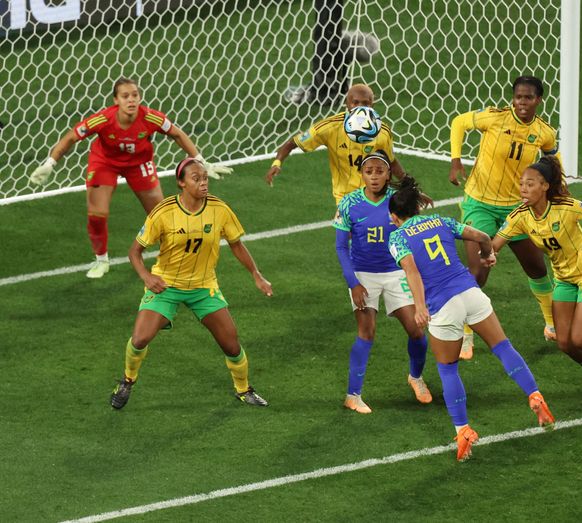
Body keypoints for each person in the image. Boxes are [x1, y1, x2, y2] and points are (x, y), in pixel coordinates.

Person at [387, 176, 555, 462]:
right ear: (417, 208)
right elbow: (481, 237)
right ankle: (535, 395)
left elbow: (412, 271)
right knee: (503, 348)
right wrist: (488, 256)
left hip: (443, 305)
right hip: (471, 292)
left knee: (449, 370)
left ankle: (463, 430)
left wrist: (418, 307)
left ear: (394, 217)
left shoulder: (397, 237)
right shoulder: (441, 220)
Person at [29, 77, 231, 279]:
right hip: (105, 163)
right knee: (97, 213)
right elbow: (72, 136)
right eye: (125, 96)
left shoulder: (152, 118)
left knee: (160, 215)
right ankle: (101, 260)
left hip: (139, 164)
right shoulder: (102, 119)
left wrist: (201, 162)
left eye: (135, 95)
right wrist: (50, 164)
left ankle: (178, 258)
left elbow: (177, 134)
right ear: (116, 100)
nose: (131, 100)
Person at [109, 158, 271, 410]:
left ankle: (244, 389)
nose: (203, 183)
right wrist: (147, 277)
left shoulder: (219, 209)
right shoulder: (163, 212)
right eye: (196, 179)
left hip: (203, 287)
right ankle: (127, 381)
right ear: (181, 183)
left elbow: (237, 244)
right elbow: (134, 252)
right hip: (167, 286)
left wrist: (256, 275)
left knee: (231, 343)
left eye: (205, 178)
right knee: (140, 338)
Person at [492, 156, 582, 399]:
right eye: (522, 183)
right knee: (565, 343)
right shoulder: (520, 216)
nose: (524, 189)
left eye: (530, 184)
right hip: (564, 279)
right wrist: (489, 254)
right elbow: (495, 244)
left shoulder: (566, 207)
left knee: (581, 338)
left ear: (545, 186)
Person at [449, 75, 558, 360]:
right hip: (480, 205)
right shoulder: (494, 119)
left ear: (538, 100)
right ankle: (465, 333)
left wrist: (558, 187)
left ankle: (551, 324)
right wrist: (456, 159)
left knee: (536, 266)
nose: (522, 103)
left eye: (528, 98)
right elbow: (459, 122)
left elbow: (551, 159)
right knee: (478, 272)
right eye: (518, 97)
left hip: (516, 209)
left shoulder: (544, 132)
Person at [333, 151, 431, 413]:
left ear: (389, 174)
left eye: (379, 171)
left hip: (396, 272)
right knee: (367, 332)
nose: (374, 177)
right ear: (361, 175)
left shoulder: (398, 202)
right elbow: (341, 248)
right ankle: (353, 395)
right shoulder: (348, 203)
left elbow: (414, 234)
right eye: (369, 172)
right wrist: (353, 283)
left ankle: (416, 377)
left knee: (417, 330)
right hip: (363, 274)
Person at [266, 83, 405, 204]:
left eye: (365, 103)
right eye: (355, 103)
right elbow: (292, 143)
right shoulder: (330, 127)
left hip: (378, 197)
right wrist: (277, 163)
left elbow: (391, 162)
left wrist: (410, 187)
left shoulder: (383, 131)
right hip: (347, 200)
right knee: (348, 235)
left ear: (372, 105)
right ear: (347, 103)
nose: (360, 108)